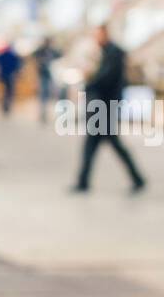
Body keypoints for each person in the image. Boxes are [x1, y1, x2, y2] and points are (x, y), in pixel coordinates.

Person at [71, 24, 146, 193]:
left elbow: (106, 79)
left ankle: (137, 179)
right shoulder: (105, 53)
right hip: (101, 107)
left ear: (105, 34)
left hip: (105, 107)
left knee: (109, 144)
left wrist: (88, 82)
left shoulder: (114, 53)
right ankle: (84, 181)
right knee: (94, 145)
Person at [33, 36, 62, 123]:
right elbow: (35, 56)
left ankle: (53, 112)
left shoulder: (53, 51)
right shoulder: (40, 50)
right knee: (43, 94)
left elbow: (59, 55)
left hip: (52, 75)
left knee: (53, 93)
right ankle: (43, 113)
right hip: (43, 75)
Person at [0, 42, 21, 116]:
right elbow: (17, 66)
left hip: (3, 76)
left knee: (5, 92)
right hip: (10, 76)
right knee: (9, 92)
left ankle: (5, 106)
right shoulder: (13, 56)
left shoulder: (3, 55)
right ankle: (7, 106)